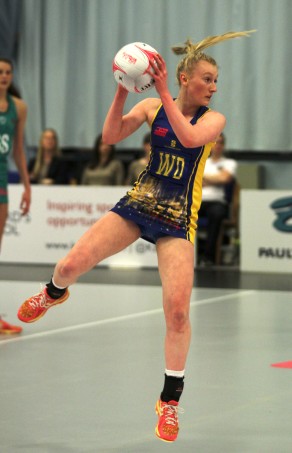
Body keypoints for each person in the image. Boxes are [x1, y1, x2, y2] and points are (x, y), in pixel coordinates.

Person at [17, 31, 254, 441]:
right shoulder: (150, 106)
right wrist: (122, 90)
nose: (214, 87)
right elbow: (110, 137)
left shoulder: (213, 120)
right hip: (140, 202)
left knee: (177, 311)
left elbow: (189, 138)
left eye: (216, 80)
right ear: (185, 77)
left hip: (178, 217)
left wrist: (162, 92)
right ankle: (53, 293)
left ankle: (169, 402)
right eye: (207, 78)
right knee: (70, 264)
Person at [0, 57, 31, 334]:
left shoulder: (18, 107)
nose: (4, 76)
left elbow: (18, 151)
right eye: (0, 71)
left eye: (8, 71)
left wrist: (27, 186)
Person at [198, 132, 237, 266]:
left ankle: (208, 258)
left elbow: (225, 178)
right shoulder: (202, 162)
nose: (218, 146)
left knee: (216, 215)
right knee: (180, 213)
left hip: (217, 202)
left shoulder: (229, 163)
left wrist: (204, 178)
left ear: (224, 146)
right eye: (215, 142)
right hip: (199, 201)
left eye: (220, 143)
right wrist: (216, 179)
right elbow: (195, 181)